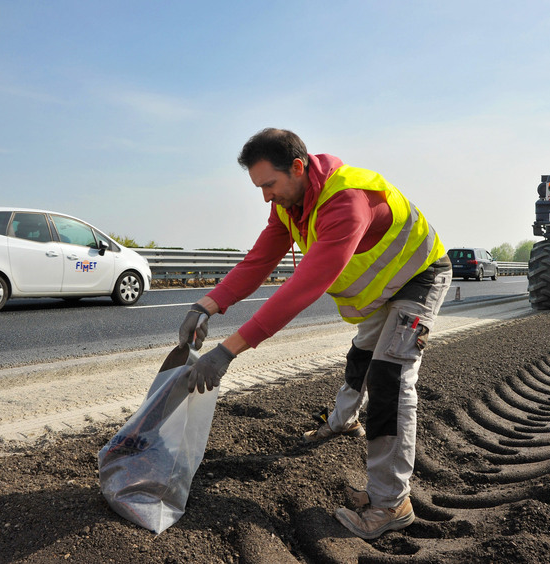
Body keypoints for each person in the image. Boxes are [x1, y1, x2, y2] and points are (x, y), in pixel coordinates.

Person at [178, 128, 451, 540]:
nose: (266, 197)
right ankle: (343, 421)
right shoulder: (291, 203)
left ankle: (392, 503)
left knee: (389, 381)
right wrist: (208, 304)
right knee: (361, 357)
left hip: (419, 279)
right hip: (383, 293)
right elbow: (258, 262)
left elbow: (303, 287)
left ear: (298, 168)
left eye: (269, 185)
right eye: (259, 188)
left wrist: (229, 351)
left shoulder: (346, 203)